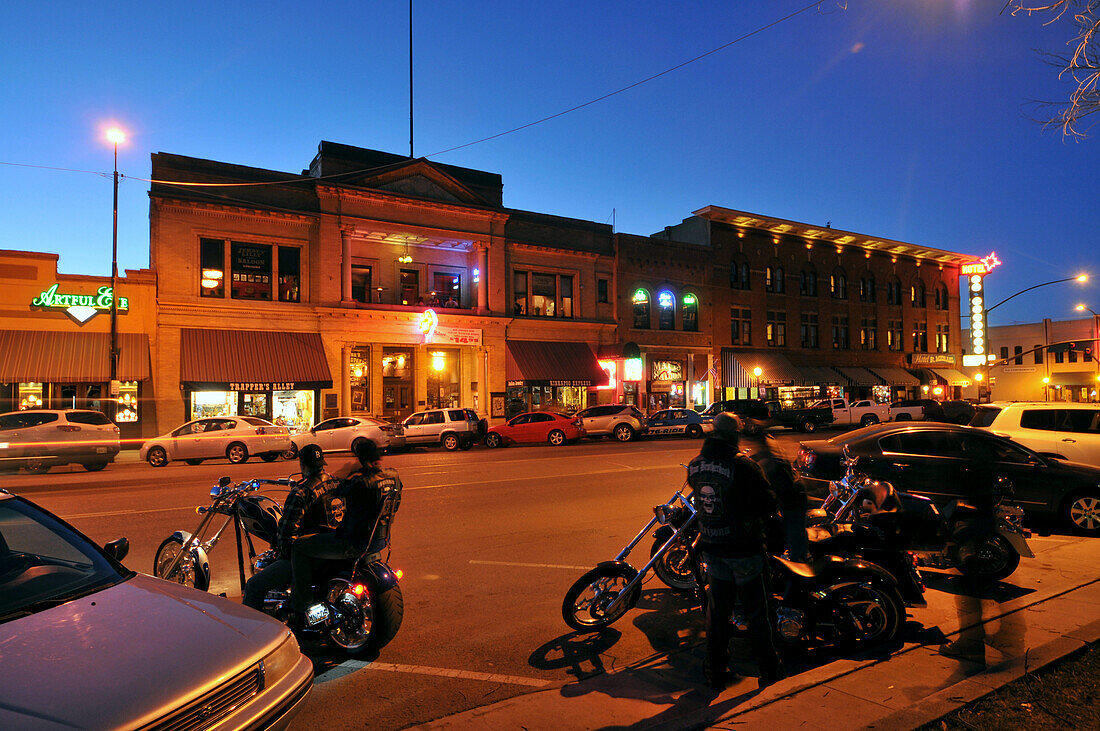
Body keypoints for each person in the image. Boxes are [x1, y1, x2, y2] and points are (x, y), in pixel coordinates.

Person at [688, 412, 783, 691]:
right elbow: (768, 502)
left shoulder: (695, 465)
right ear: (733, 435)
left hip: (713, 550)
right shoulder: (743, 465)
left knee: (717, 616)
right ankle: (769, 671)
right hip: (744, 550)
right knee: (759, 614)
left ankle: (715, 671)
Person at [290, 439, 404, 617]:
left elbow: (336, 491)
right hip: (380, 541)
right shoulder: (394, 476)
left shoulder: (359, 482)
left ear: (361, 458)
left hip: (352, 542)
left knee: (298, 546)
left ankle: (301, 606)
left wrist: (349, 470)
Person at [242, 444, 338, 610]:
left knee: (253, 586)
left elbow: (287, 533)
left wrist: (282, 554)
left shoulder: (302, 492)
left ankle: (251, 633)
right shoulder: (337, 483)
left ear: (302, 464)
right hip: (335, 548)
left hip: (311, 555)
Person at [743, 430, 810, 563]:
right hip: (788, 494)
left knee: (794, 532)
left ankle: (800, 567)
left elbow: (768, 470)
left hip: (792, 497)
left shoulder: (770, 454)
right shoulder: (766, 448)